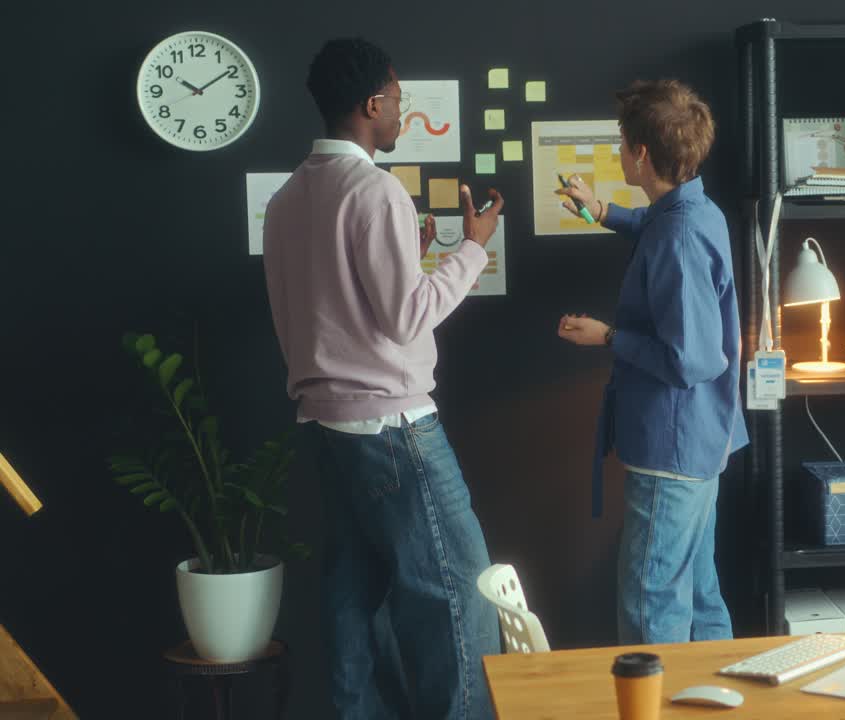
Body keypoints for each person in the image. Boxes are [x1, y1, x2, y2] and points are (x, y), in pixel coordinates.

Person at [262, 37, 503, 720]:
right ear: (373, 104)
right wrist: (471, 248)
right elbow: (405, 318)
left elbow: (327, 305)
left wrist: (416, 255)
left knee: (352, 594)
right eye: (399, 99)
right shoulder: (374, 190)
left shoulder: (287, 197)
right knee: (460, 594)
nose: (403, 111)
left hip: (327, 427)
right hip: (393, 429)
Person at [556, 79, 748, 645]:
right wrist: (600, 210)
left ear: (640, 154)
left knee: (650, 604)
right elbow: (655, 227)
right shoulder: (693, 210)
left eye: (622, 142)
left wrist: (607, 336)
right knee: (699, 595)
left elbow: (691, 360)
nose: (619, 152)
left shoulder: (681, 234)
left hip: (672, 446)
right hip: (701, 442)